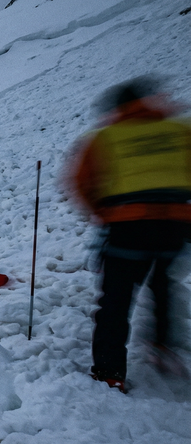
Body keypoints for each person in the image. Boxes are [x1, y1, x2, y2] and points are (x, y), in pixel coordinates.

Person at [70, 77, 191, 391]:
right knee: (164, 286)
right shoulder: (180, 131)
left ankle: (110, 372)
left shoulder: (105, 137)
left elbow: (81, 182)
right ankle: (163, 346)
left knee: (116, 300)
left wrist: (103, 214)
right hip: (176, 227)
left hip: (128, 228)